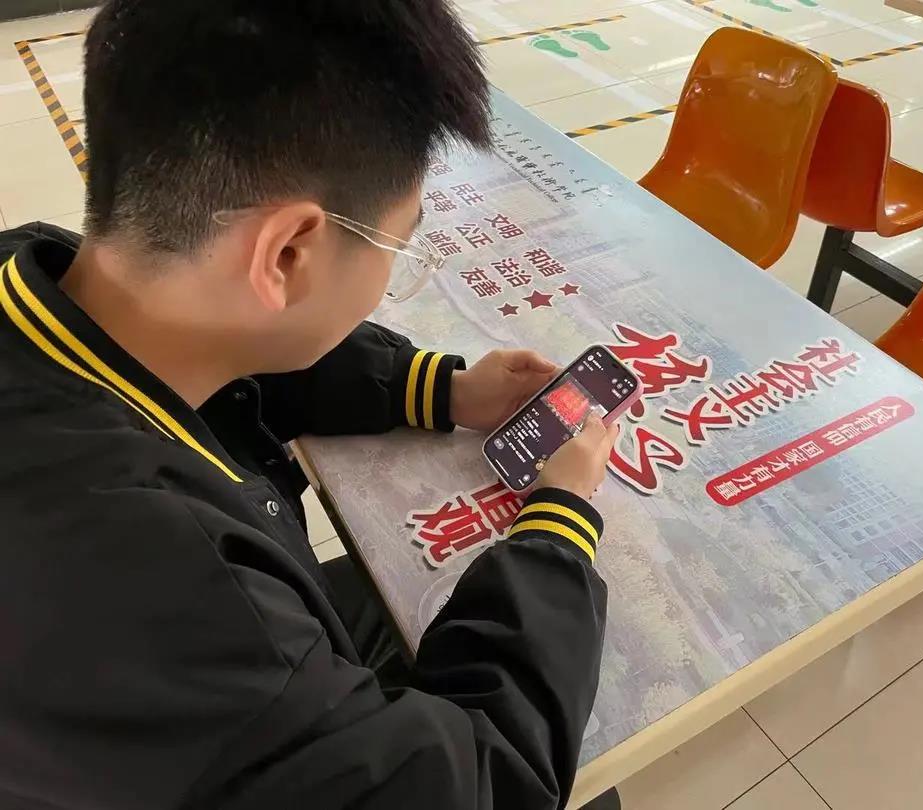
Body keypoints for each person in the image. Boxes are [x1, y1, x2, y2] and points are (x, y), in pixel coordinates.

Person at [0, 1, 620, 807]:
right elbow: (485, 782)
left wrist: (441, 388)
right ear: (289, 251)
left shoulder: (42, 281)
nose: (392, 274)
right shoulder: (186, 601)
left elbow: (237, 354)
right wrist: (559, 524)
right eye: (399, 245)